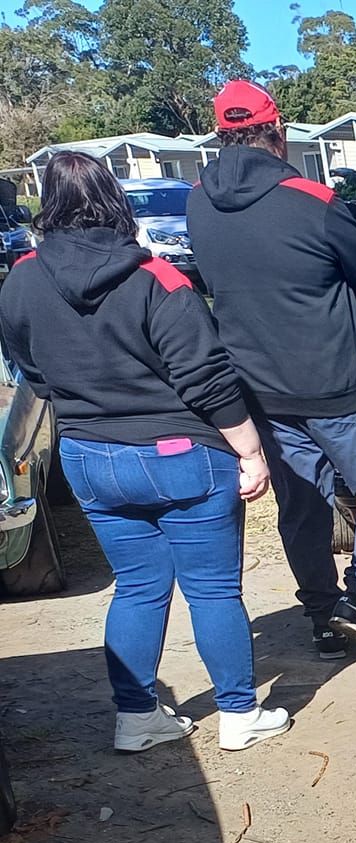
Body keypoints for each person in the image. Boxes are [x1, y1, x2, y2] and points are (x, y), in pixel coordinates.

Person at [0, 152, 290, 752]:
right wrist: (251, 451)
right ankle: (239, 714)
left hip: (89, 456)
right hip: (182, 454)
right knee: (213, 590)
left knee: (136, 587)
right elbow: (207, 379)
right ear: (116, 199)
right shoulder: (158, 279)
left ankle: (136, 718)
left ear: (46, 205)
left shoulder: (20, 280)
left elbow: (31, 371)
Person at [186, 79, 356, 662]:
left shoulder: (196, 201)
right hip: (335, 386)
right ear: (277, 132)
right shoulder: (315, 200)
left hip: (258, 391)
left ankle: (324, 619)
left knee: (302, 506)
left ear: (222, 135)